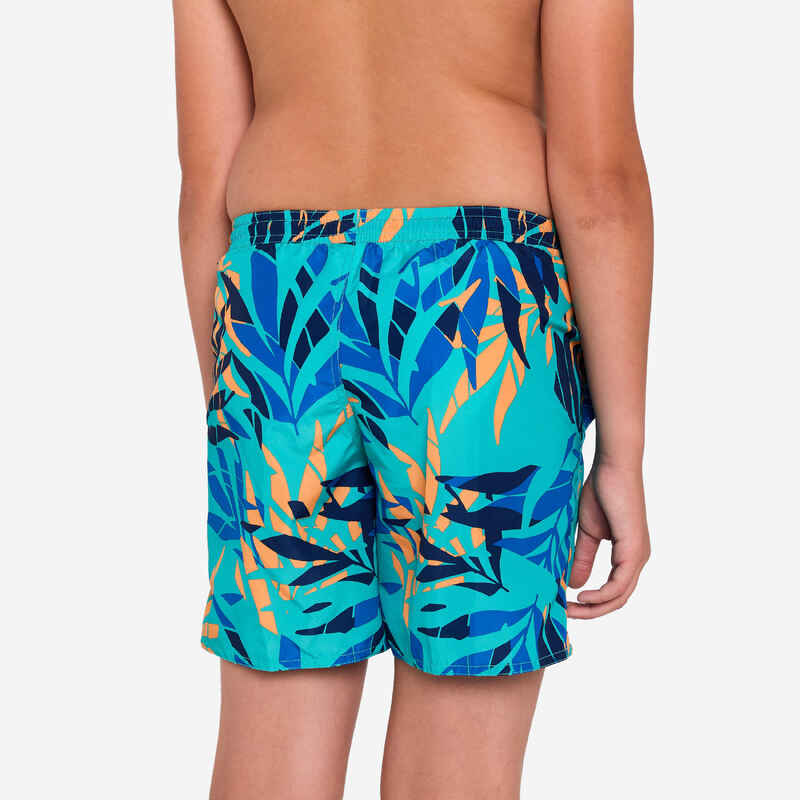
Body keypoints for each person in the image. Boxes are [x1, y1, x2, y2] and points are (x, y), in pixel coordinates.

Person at [173, 0, 652, 797]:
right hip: (474, 316)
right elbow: (600, 186)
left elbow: (203, 197)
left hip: (276, 299)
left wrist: (241, 420)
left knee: (271, 736)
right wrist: (624, 454)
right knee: (459, 754)